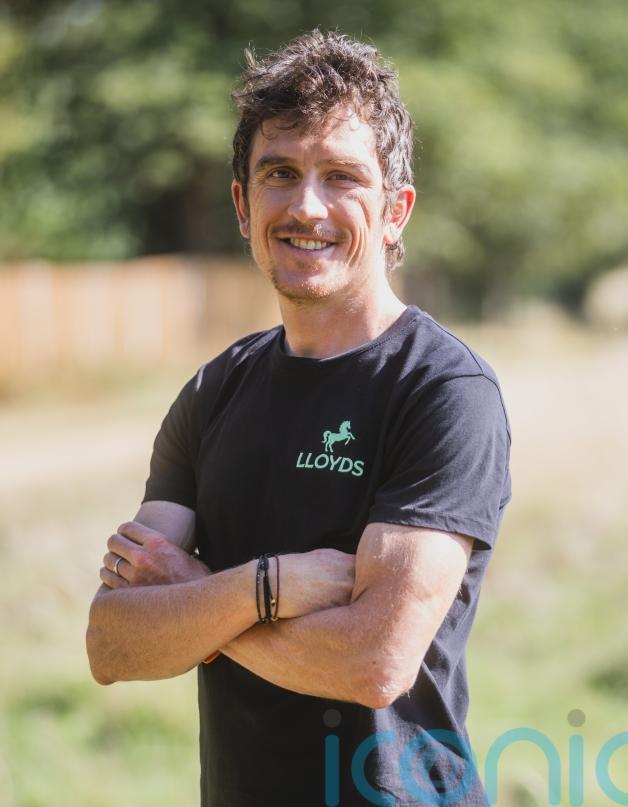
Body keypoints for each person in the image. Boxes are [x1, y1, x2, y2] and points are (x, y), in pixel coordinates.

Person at [86, 30, 511, 807]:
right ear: (243, 205)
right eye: (279, 173)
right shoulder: (214, 389)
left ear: (395, 211)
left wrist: (193, 596)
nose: (306, 205)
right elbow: (112, 641)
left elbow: (374, 662)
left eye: (342, 176)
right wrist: (267, 587)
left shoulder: (445, 390)